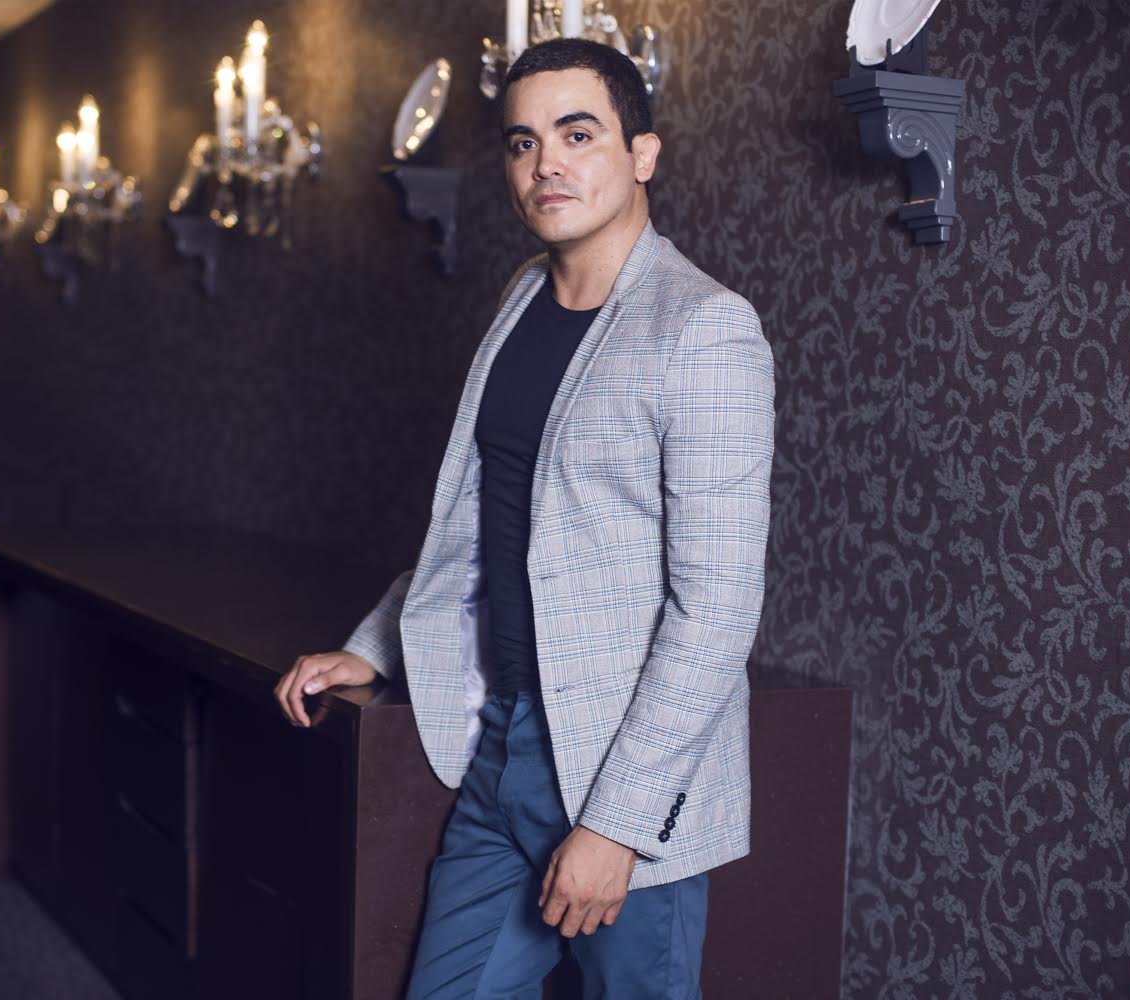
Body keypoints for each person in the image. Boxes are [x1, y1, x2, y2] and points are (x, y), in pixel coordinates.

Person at [273, 37, 775, 999]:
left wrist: (616, 824)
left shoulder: (705, 329)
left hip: (623, 767)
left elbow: (716, 608)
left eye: (577, 134)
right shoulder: (521, 298)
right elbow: (483, 523)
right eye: (522, 141)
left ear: (642, 154)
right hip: (501, 738)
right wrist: (375, 645)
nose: (546, 163)